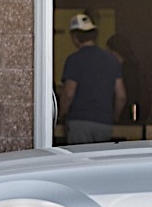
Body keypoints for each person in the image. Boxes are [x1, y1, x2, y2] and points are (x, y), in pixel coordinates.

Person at [59, 13, 126, 143]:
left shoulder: (74, 60)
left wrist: (62, 116)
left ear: (74, 36)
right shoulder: (112, 61)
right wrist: (114, 117)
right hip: (104, 123)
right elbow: (121, 96)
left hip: (79, 122)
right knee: (100, 162)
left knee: (80, 162)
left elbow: (68, 94)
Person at [106, 33, 144, 123]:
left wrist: (115, 116)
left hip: (125, 113)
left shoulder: (122, 70)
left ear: (114, 51)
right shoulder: (135, 67)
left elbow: (122, 97)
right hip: (136, 112)